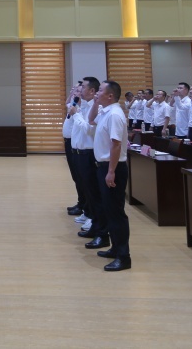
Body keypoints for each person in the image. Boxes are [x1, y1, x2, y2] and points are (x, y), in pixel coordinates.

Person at [87, 80, 131, 271]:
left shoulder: (114, 115)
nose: (97, 93)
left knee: (116, 213)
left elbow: (116, 144)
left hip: (113, 168)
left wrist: (111, 171)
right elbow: (90, 120)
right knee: (109, 210)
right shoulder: (105, 111)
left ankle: (123, 257)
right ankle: (115, 248)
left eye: (100, 91)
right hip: (103, 167)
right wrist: (95, 103)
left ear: (110, 95)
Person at [63, 78, 98, 218]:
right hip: (77, 148)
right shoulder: (81, 106)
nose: (77, 92)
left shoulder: (93, 108)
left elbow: (88, 129)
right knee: (81, 180)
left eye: (80, 89)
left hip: (87, 151)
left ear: (92, 91)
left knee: (89, 185)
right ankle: (86, 209)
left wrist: (76, 113)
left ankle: (90, 213)